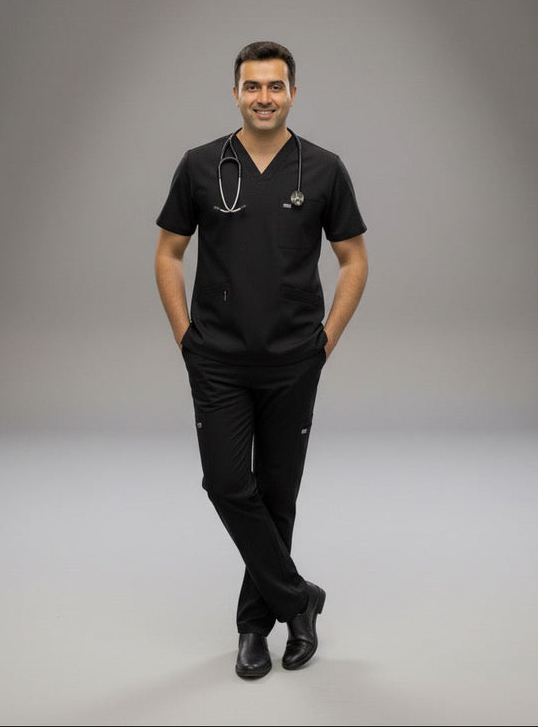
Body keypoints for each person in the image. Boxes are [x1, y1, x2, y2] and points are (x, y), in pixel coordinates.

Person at [154, 41, 368, 679]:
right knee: (226, 483)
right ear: (237, 93)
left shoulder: (324, 169)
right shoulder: (200, 165)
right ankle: (299, 601)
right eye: (253, 87)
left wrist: (324, 341)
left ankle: (254, 627)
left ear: (293, 94)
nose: (264, 98)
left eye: (276, 87)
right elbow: (168, 253)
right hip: (216, 358)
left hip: (292, 361)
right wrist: (184, 337)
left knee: (278, 493)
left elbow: (354, 260)